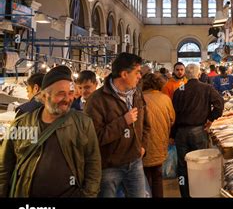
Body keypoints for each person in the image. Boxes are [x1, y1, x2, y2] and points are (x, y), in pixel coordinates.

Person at [0, 66, 101, 197]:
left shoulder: (83, 123)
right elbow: (5, 166)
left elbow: (93, 164)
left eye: (70, 93)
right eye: (60, 94)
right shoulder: (22, 124)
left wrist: (88, 195)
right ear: (44, 96)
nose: (68, 98)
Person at [85, 52, 150, 198]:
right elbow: (94, 137)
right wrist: (123, 122)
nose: (140, 76)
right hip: (109, 166)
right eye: (137, 72)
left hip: (134, 161)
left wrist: (143, 146)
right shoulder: (97, 100)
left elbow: (146, 124)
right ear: (124, 74)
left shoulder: (137, 94)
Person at [172, 64, 224, 198]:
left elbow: (173, 115)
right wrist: (211, 118)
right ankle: (201, 193)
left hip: (181, 133)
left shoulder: (179, 90)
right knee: (201, 165)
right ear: (198, 74)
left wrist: (172, 134)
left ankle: (185, 194)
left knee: (183, 167)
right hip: (198, 131)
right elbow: (219, 103)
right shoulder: (206, 88)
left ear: (186, 75)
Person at [141, 73, 175, 198]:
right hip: (160, 142)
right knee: (157, 176)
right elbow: (172, 119)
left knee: (144, 177)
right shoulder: (165, 98)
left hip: (143, 145)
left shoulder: (139, 98)